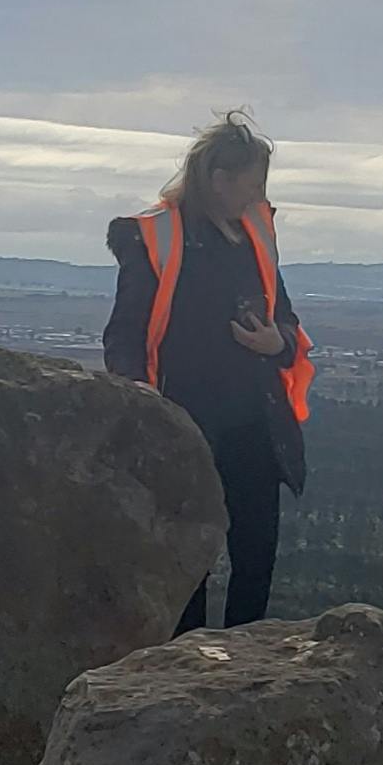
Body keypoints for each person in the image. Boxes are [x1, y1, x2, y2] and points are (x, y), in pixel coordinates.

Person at [105, 114, 313, 628]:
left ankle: (247, 670)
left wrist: (276, 342)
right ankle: (187, 669)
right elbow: (124, 335)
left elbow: (285, 319)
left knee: (256, 551)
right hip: (184, 419)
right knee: (189, 559)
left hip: (254, 422)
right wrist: (137, 394)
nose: (259, 194)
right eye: (252, 183)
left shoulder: (255, 235)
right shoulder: (155, 236)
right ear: (219, 180)